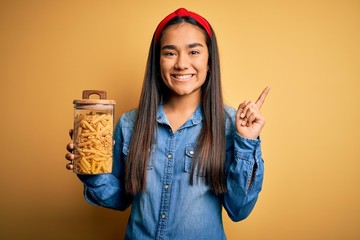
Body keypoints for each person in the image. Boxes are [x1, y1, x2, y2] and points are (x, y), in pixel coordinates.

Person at [65, 7, 270, 240]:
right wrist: (91, 171)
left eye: (194, 52)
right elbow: (121, 199)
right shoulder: (129, 124)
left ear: (210, 61)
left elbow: (239, 210)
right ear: (157, 62)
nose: (181, 64)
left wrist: (247, 142)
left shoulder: (230, 125)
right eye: (170, 53)